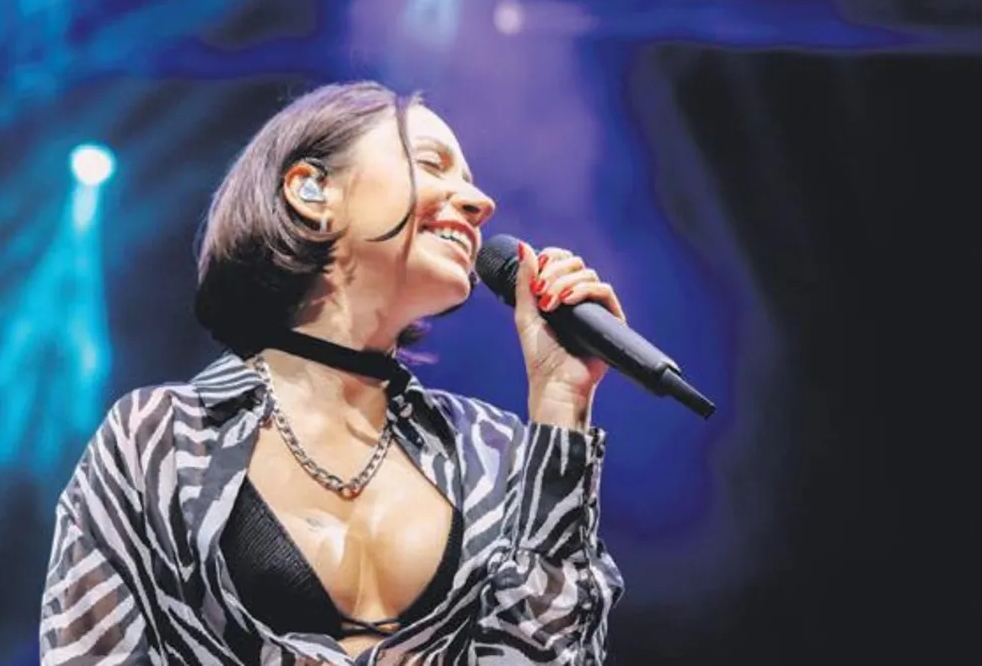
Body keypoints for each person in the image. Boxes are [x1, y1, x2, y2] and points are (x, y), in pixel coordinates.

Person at [39, 80, 625, 665]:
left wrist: (560, 404)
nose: (479, 202)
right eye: (432, 164)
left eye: (469, 180)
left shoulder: (495, 453)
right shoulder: (164, 438)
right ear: (311, 190)